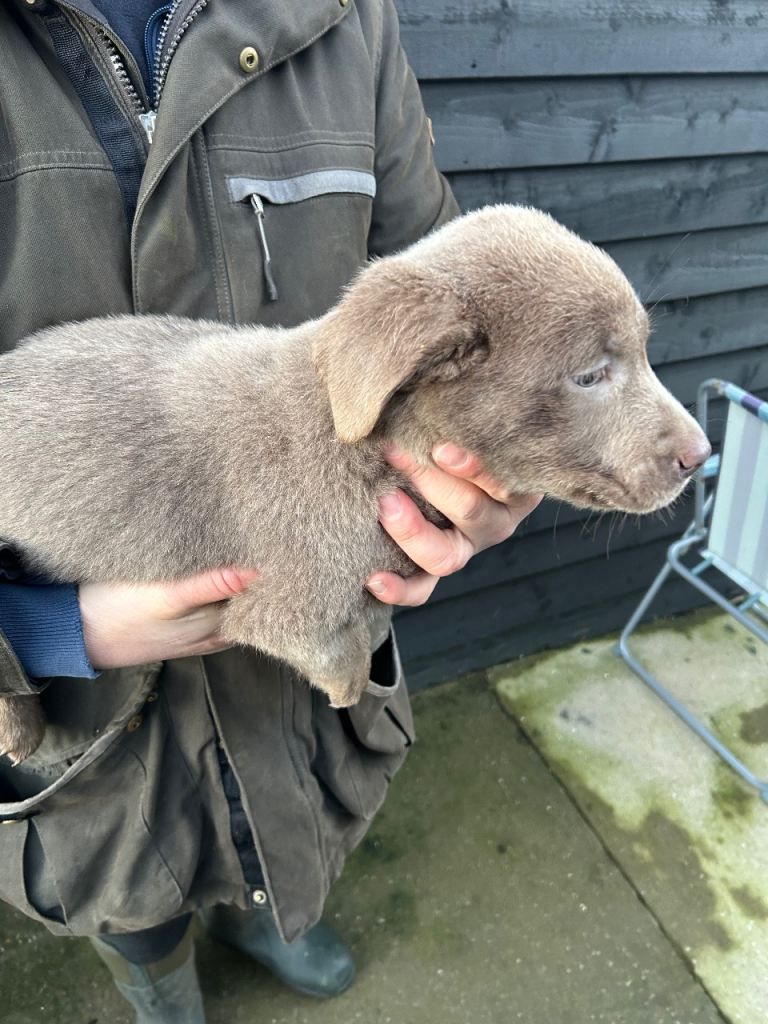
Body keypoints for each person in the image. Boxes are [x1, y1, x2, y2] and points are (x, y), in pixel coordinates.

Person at [0, 1, 541, 1020]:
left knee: (278, 825)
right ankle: (157, 982)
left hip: (294, 663)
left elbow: (452, 286)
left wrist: (485, 477)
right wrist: (38, 630)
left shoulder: (346, 18)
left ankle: (262, 907)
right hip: (91, 738)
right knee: (136, 903)